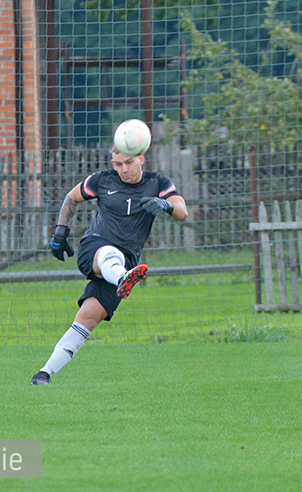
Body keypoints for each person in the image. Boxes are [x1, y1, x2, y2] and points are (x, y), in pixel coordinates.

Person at [30, 146, 188, 385]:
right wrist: (61, 232)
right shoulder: (102, 180)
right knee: (108, 253)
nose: (122, 169)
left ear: (141, 159)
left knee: (87, 319)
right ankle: (123, 278)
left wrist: (166, 206)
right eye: (117, 163)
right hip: (94, 249)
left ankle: (44, 373)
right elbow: (72, 197)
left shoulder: (157, 183)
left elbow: (182, 211)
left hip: (125, 264)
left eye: (128, 163)